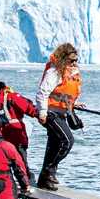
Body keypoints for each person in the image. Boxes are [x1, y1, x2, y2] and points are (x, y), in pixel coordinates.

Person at [36, 43, 83, 189]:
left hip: (62, 112)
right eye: (71, 60)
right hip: (51, 112)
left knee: (54, 145)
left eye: (76, 60)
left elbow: (65, 93)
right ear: (64, 59)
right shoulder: (54, 72)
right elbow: (42, 92)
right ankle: (48, 172)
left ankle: (45, 181)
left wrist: (74, 104)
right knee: (67, 141)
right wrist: (42, 112)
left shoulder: (72, 74)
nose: (74, 63)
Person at [0, 79, 42, 178]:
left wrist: (42, 116)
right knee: (4, 167)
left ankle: (27, 185)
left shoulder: (10, 97)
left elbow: (29, 107)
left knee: (21, 165)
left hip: (17, 139)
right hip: (2, 142)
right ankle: (11, 186)